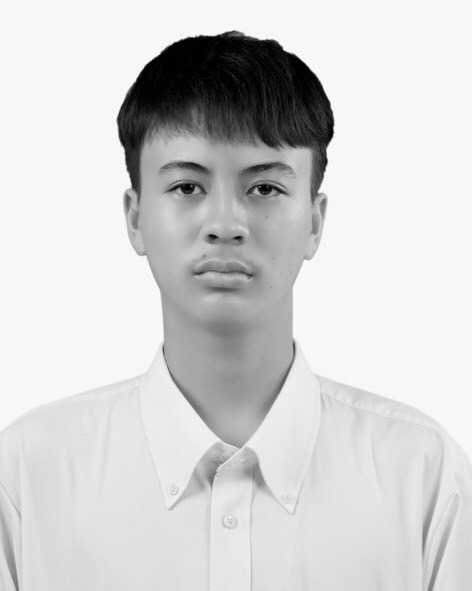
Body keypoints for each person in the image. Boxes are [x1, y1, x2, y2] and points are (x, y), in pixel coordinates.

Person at [1, 30, 471, 591]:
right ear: (134, 217)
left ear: (315, 221)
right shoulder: (29, 474)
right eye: (186, 187)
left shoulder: (422, 476)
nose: (225, 224)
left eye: (265, 188)